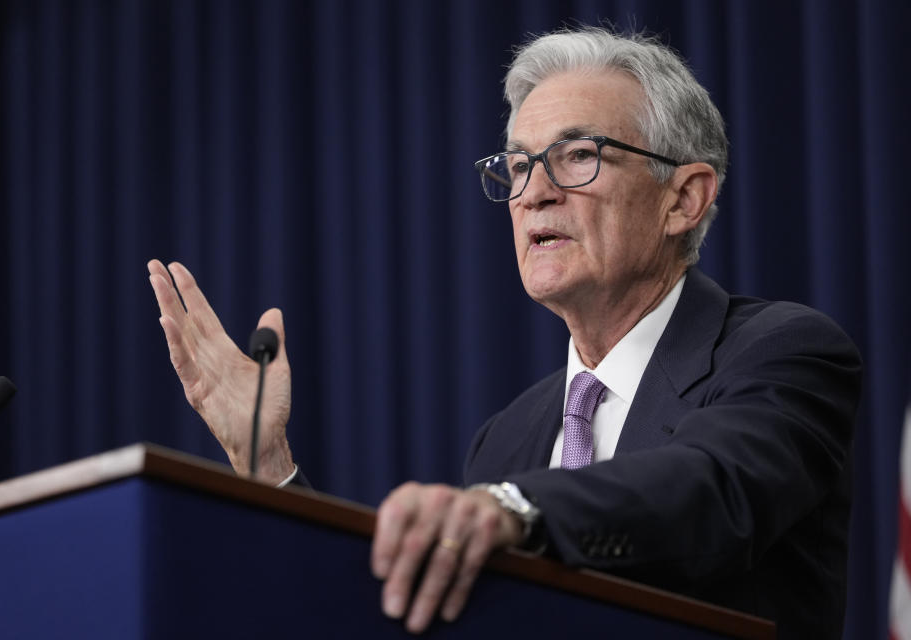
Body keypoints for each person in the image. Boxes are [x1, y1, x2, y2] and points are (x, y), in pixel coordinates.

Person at [148, 27, 861, 638]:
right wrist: (270, 465)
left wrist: (513, 508)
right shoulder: (509, 436)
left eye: (577, 155)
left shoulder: (782, 351)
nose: (534, 192)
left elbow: (708, 487)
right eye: (518, 166)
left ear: (684, 197)